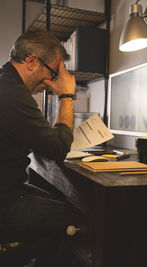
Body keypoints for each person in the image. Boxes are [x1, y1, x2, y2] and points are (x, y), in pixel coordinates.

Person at [0, 28, 77, 266]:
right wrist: (67, 96)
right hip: (5, 203)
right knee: (77, 219)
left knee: (60, 202)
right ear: (32, 62)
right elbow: (59, 147)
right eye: (53, 73)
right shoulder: (12, 95)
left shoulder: (7, 85)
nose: (50, 83)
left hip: (10, 191)